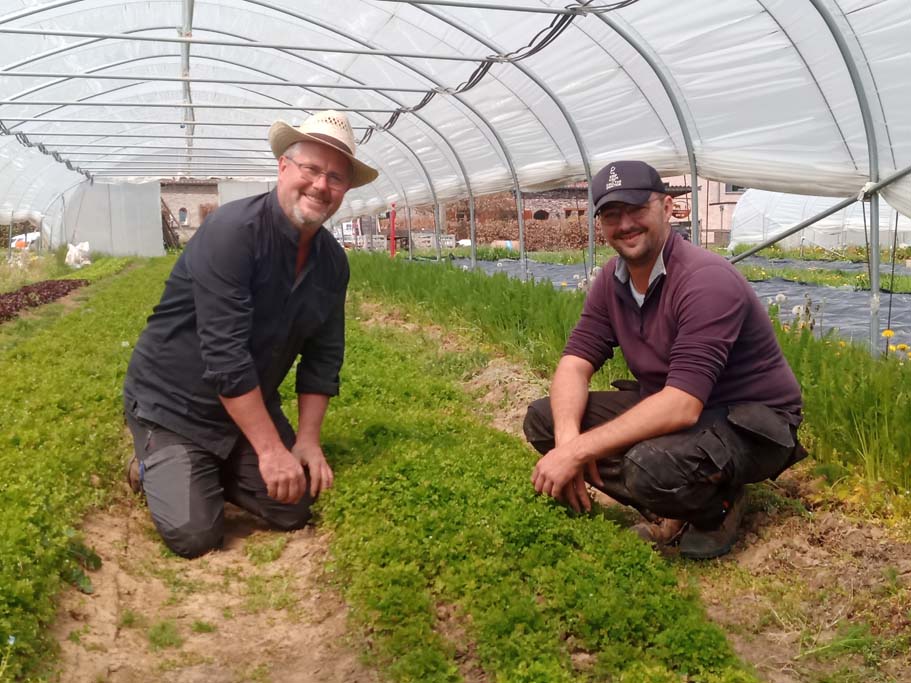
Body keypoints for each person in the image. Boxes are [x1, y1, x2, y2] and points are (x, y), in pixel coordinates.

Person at [123, 110, 378, 558]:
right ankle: (152, 463)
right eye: (312, 170)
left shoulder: (332, 262)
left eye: (335, 178)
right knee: (195, 535)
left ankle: (207, 469)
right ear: (284, 168)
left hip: (247, 404)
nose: (321, 186)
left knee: (293, 508)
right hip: (174, 405)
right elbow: (224, 356)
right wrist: (271, 451)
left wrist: (307, 442)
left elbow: (323, 355)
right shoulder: (233, 233)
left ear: (345, 190)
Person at [523, 160, 804, 559]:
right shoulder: (611, 280)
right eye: (611, 215)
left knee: (649, 468)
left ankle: (717, 505)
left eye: (636, 210)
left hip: (751, 421)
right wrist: (568, 440)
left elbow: (683, 405)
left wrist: (577, 453)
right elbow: (575, 363)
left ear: (667, 208)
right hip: (679, 405)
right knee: (546, 420)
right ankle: (673, 502)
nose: (625, 225)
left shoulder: (705, 280)